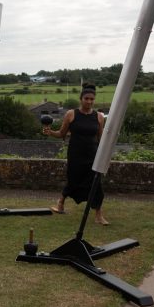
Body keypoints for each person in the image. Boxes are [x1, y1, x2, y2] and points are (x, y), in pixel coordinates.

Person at [43, 83, 109, 225]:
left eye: (92, 99)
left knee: (96, 184)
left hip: (93, 155)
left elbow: (100, 138)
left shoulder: (99, 116)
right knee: (73, 180)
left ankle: (98, 215)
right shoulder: (71, 114)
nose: (89, 101)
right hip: (75, 154)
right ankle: (60, 203)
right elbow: (62, 133)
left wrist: (104, 154)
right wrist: (50, 132)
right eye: (86, 98)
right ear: (81, 99)